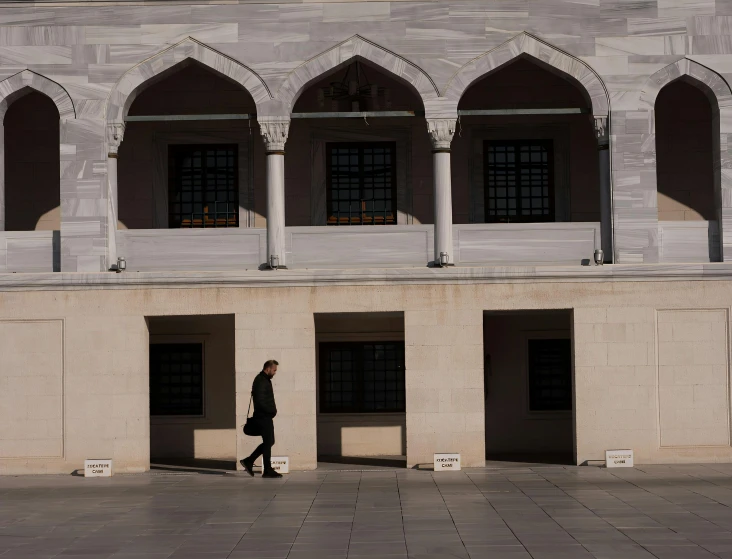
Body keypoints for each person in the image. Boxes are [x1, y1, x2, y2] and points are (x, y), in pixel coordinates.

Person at [240, 360, 282, 478]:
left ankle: (249, 460)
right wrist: (271, 411)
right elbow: (260, 401)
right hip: (263, 417)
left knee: (269, 442)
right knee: (268, 442)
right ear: (268, 369)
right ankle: (267, 470)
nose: (275, 373)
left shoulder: (263, 380)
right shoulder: (261, 380)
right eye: (274, 370)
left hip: (265, 416)